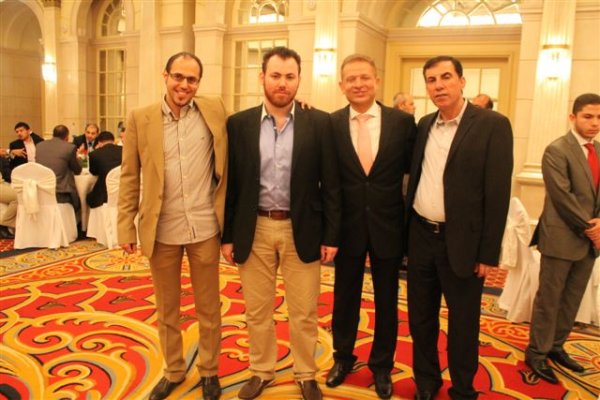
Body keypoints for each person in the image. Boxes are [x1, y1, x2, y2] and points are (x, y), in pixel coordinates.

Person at [221, 46, 341, 400]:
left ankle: (306, 373)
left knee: (303, 312)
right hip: (254, 229)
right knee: (258, 311)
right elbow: (232, 184)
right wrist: (228, 235)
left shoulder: (319, 122)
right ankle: (262, 370)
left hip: (302, 229)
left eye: (290, 76)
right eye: (275, 75)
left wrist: (332, 234)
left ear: (299, 80)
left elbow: (331, 183)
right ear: (262, 77)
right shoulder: (239, 124)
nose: (282, 83)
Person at [117, 52, 227, 400]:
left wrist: (298, 108)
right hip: (161, 229)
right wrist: (125, 226)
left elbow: (250, 124)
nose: (184, 85)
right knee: (167, 308)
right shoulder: (141, 118)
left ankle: (209, 371)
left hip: (204, 227)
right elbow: (129, 176)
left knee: (209, 307)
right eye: (178, 76)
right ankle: (174, 370)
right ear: (165, 76)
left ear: (199, 83)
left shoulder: (214, 109)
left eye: (192, 79)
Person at [405, 55, 513, 400]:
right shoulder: (424, 124)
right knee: (421, 318)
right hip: (421, 237)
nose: (439, 85)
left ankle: (463, 388)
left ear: (461, 82)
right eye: (431, 80)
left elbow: (498, 193)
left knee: (463, 323)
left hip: (464, 243)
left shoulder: (493, 125)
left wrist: (488, 253)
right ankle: (426, 381)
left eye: (446, 77)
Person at [326, 54, 416, 400]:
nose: (358, 84)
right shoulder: (331, 123)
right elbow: (329, 181)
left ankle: (381, 365)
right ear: (341, 85)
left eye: (364, 77)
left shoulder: (402, 123)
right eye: (351, 79)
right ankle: (342, 357)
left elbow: (413, 173)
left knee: (386, 300)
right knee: (344, 297)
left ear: (376, 81)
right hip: (346, 228)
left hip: (388, 227)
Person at [525, 93, 600, 384]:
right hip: (561, 237)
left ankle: (556, 346)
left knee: (571, 299)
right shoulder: (557, 149)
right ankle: (537, 352)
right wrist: (592, 228)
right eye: (588, 116)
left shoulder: (598, 150)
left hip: (588, 243)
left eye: (599, 117)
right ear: (573, 117)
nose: (594, 123)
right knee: (550, 298)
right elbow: (562, 197)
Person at [36, 124, 82, 212]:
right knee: (81, 203)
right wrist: (79, 159)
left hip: (42, 190)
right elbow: (77, 170)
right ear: (67, 137)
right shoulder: (69, 147)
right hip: (61, 192)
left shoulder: (39, 146)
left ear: (53, 134)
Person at [86, 131, 122, 209]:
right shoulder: (124, 150)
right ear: (113, 140)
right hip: (123, 191)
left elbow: (94, 172)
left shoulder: (94, 154)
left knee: (88, 196)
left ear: (99, 142)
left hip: (103, 195)